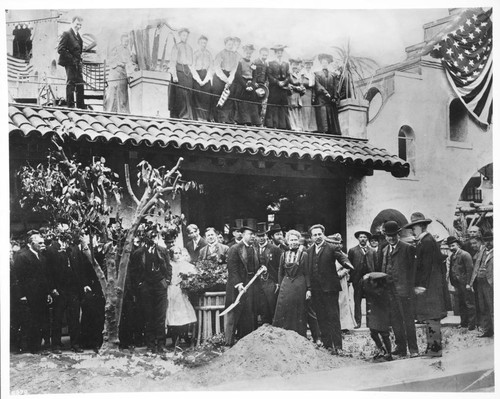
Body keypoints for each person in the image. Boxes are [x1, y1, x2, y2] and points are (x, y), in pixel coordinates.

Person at [404, 212, 449, 357]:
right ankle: (432, 348)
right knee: (430, 317)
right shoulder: (425, 241)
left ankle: (434, 349)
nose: (412, 230)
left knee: (432, 317)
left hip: (430, 287)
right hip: (430, 286)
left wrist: (421, 285)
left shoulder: (427, 242)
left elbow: (427, 266)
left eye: (414, 227)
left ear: (422, 226)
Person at [307, 224, 353, 354]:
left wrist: (347, 263)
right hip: (317, 290)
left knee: (333, 317)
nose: (317, 237)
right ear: (311, 237)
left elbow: (342, 257)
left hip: (330, 289)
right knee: (321, 317)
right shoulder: (309, 251)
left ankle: (338, 346)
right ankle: (328, 345)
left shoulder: (332, 248)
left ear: (323, 235)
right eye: (315, 235)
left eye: (319, 234)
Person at [380, 221, 419, 358]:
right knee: (395, 321)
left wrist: (411, 288)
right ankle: (401, 348)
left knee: (408, 320)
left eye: (393, 235)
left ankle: (413, 349)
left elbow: (413, 270)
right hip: (389, 292)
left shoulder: (407, 248)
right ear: (385, 236)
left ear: (398, 234)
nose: (391, 238)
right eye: (388, 236)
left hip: (404, 292)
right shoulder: (384, 250)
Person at [130, 232, 172, 353]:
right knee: (148, 316)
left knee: (160, 316)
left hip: (160, 286)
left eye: (154, 236)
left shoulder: (162, 250)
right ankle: (150, 345)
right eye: (150, 237)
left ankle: (161, 344)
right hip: (146, 287)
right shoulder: (139, 253)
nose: (152, 239)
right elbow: (134, 271)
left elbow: (168, 267)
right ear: (145, 238)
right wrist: (140, 284)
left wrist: (167, 281)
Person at [13, 233, 54, 354]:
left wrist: (48, 293)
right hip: (29, 295)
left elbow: (44, 277)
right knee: (31, 321)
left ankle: (38, 346)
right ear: (32, 243)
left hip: (40, 295)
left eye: (43, 243)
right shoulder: (22, 256)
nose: (42, 245)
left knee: (41, 319)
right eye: (40, 243)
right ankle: (33, 347)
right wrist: (21, 295)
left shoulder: (41, 256)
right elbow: (18, 277)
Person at [45, 232, 85, 353]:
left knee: (74, 317)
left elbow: (79, 268)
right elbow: (48, 272)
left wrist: (81, 286)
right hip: (59, 289)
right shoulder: (51, 250)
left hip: (73, 290)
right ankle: (56, 345)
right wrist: (52, 289)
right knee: (57, 318)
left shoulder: (74, 249)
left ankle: (75, 344)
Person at [224, 226, 260, 346]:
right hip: (237, 286)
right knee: (235, 313)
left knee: (249, 313)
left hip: (250, 285)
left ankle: (246, 341)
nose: (253, 237)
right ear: (243, 235)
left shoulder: (254, 248)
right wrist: (238, 284)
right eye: (250, 234)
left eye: (254, 234)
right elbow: (232, 269)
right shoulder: (234, 249)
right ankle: (229, 342)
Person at [273, 229, 310, 336]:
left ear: (299, 241)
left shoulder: (304, 254)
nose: (293, 242)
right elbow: (280, 271)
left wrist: (309, 288)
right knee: (284, 307)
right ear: (287, 241)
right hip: (286, 283)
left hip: (300, 283)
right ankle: (284, 335)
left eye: (295, 240)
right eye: (291, 240)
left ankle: (299, 335)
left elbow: (307, 272)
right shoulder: (283, 255)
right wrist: (281, 285)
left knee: (299, 308)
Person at [166, 246, 197, 346]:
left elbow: (194, 274)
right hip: (171, 291)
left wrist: (186, 279)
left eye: (179, 253)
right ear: (171, 255)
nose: (178, 255)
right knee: (173, 315)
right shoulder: (169, 265)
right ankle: (175, 338)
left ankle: (184, 336)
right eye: (175, 253)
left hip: (181, 291)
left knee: (184, 314)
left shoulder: (185, 265)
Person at [348, 230, 377, 329]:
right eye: (361, 237)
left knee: (370, 301)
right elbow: (349, 265)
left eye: (364, 237)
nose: (363, 239)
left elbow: (376, 266)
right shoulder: (353, 251)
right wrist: (351, 279)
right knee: (357, 301)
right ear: (358, 239)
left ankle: (370, 323)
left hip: (369, 280)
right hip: (357, 280)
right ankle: (358, 322)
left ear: (367, 239)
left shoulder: (372, 251)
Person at [447, 236, 476, 330]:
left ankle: (472, 324)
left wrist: (469, 283)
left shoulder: (465, 255)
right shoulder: (452, 256)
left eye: (453, 245)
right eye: (449, 246)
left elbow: (470, 270)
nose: (451, 248)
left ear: (458, 245)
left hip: (465, 284)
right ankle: (464, 323)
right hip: (458, 284)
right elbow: (452, 270)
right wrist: (453, 283)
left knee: (469, 303)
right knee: (461, 304)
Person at [328, 234, 356, 331]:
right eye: (332, 243)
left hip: (341, 280)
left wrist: (341, 273)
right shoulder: (327, 254)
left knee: (342, 302)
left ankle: (344, 325)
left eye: (338, 243)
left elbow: (348, 267)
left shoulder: (343, 255)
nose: (336, 245)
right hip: (330, 280)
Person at [255, 225, 282, 324]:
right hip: (258, 283)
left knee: (272, 306)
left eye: (263, 235)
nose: (261, 238)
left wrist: (278, 283)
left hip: (271, 282)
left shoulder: (274, 249)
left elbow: (280, 267)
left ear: (266, 236)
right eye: (258, 236)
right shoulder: (253, 249)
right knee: (262, 307)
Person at [363, 272, 392, 361]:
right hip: (379, 315)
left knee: (383, 334)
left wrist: (365, 279)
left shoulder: (379, 291)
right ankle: (384, 351)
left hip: (381, 316)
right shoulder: (381, 290)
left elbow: (367, 290)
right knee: (376, 333)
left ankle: (387, 352)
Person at [57, 16, 86, 109]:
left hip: (78, 64)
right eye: (77, 24)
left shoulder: (78, 36)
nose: (79, 26)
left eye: (80, 25)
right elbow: (60, 49)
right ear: (72, 23)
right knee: (71, 83)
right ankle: (71, 106)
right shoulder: (67, 33)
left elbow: (79, 51)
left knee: (80, 84)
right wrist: (72, 59)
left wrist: (79, 60)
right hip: (70, 63)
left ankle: (80, 106)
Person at [104, 33, 137, 113]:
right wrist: (118, 63)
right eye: (125, 41)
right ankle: (110, 111)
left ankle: (123, 112)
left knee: (123, 95)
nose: (126, 43)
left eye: (127, 42)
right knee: (112, 93)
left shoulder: (128, 52)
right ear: (121, 41)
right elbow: (110, 61)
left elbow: (130, 64)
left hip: (123, 74)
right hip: (115, 73)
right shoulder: (116, 49)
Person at [471, 234, 493, 337]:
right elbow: (476, 266)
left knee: (493, 307)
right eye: (486, 241)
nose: (488, 243)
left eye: (491, 240)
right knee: (483, 307)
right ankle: (487, 330)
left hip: (490, 283)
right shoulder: (482, 251)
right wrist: (471, 282)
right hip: (480, 283)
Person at [169, 28, 194, 119]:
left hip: (187, 72)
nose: (185, 37)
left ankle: (188, 115)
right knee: (181, 94)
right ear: (180, 36)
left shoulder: (190, 48)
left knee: (188, 92)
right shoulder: (176, 46)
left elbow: (191, 64)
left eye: (186, 35)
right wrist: (174, 75)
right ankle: (182, 115)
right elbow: (172, 62)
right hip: (179, 70)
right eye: (183, 35)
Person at [233, 44, 261, 126]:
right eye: (247, 53)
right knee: (242, 102)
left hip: (250, 84)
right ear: (244, 53)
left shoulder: (253, 63)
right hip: (242, 84)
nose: (248, 55)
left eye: (250, 54)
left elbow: (255, 75)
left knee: (252, 102)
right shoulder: (240, 62)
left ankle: (253, 121)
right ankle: (243, 120)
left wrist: (252, 85)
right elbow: (238, 75)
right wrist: (245, 86)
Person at [212, 37, 239, 123]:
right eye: (229, 44)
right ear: (225, 44)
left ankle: (227, 119)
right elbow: (217, 68)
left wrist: (230, 80)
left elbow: (234, 69)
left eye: (232, 45)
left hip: (229, 78)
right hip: (220, 78)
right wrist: (225, 80)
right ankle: (218, 119)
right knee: (219, 97)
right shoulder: (220, 54)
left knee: (228, 98)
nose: (230, 46)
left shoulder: (235, 56)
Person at [265, 45, 291, 130]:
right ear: (275, 53)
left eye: (281, 52)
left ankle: (282, 125)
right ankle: (272, 124)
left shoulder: (286, 64)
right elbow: (269, 75)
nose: (279, 54)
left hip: (283, 89)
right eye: (278, 52)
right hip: (274, 88)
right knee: (273, 105)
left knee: (283, 105)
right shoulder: (271, 63)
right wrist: (277, 82)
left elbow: (288, 75)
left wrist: (284, 82)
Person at [314, 53, 341, 134]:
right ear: (321, 64)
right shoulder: (317, 74)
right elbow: (318, 85)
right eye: (323, 63)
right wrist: (325, 93)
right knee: (322, 115)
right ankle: (323, 131)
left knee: (331, 114)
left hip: (330, 99)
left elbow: (335, 86)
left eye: (326, 63)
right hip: (321, 98)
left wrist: (334, 97)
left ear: (328, 64)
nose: (324, 64)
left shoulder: (333, 75)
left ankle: (331, 131)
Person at [192, 35, 213, 121]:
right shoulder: (195, 53)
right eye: (202, 43)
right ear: (198, 43)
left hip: (206, 77)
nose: (203, 44)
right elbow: (192, 67)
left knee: (206, 97)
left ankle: (205, 117)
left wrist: (205, 80)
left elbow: (211, 68)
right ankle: (197, 117)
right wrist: (199, 80)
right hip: (197, 76)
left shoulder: (209, 54)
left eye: (205, 43)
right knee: (197, 95)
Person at [300, 59, 318, 132]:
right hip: (304, 92)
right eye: (307, 64)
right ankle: (303, 127)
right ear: (304, 65)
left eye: (309, 64)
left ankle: (309, 127)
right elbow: (301, 83)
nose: (308, 66)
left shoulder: (313, 74)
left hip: (310, 93)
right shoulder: (302, 74)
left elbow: (314, 86)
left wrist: (313, 96)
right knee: (304, 109)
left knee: (309, 110)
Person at [288, 58, 306, 131]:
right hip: (291, 94)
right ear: (291, 65)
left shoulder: (300, 75)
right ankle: (292, 125)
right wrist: (296, 88)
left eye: (296, 65)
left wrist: (302, 89)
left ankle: (298, 126)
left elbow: (302, 85)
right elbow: (288, 84)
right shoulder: (289, 74)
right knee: (291, 110)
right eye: (293, 65)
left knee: (297, 109)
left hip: (298, 96)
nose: (295, 67)